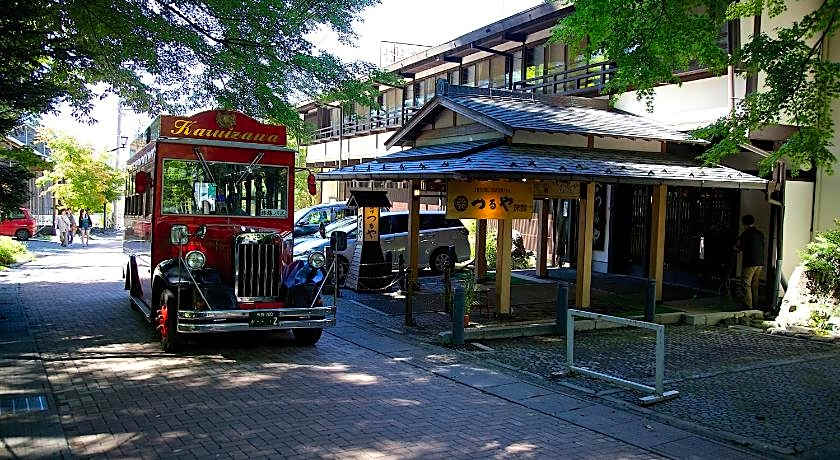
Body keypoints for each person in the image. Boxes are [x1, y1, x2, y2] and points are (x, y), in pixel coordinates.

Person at [736, 215, 765, 308]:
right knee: (755, 284)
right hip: (760, 262)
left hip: (750, 262)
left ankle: (748, 305)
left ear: (744, 223)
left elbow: (740, 247)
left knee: (745, 283)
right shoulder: (760, 233)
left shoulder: (745, 234)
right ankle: (755, 304)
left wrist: (735, 248)